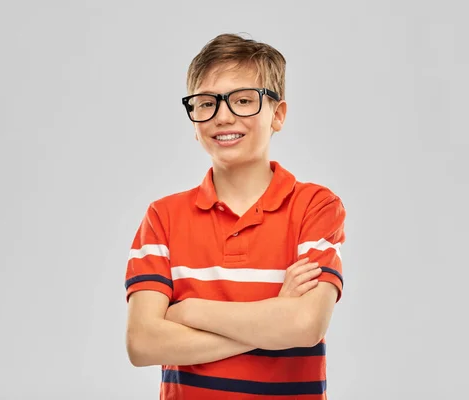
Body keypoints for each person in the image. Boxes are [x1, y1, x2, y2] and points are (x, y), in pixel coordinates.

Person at [124, 33, 346, 400]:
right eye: (206, 103)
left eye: (243, 100)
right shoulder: (163, 216)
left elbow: (305, 326)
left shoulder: (315, 206)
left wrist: (187, 311)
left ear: (278, 114)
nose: (223, 116)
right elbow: (142, 343)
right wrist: (272, 319)